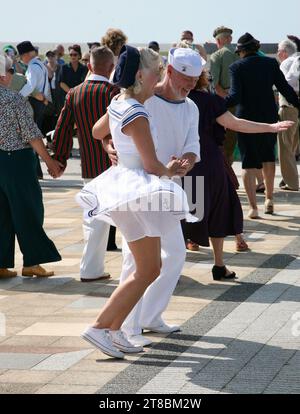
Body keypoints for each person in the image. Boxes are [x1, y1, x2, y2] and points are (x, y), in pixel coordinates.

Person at [76, 46, 192, 359]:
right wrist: (174, 170)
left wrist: (112, 144)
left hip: (123, 189)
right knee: (147, 269)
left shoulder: (119, 102)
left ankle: (114, 330)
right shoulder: (137, 112)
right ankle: (100, 326)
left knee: (148, 268)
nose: (159, 77)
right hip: (136, 191)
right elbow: (153, 165)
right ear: (141, 75)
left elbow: (97, 130)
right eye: (156, 72)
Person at [102, 47, 203, 347]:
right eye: (185, 78)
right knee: (134, 261)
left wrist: (188, 160)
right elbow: (107, 129)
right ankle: (126, 329)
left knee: (175, 254)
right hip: (141, 186)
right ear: (169, 72)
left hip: (169, 187)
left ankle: (150, 316)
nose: (189, 85)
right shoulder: (140, 100)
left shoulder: (191, 107)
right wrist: (110, 146)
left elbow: (193, 143)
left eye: (195, 81)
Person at [182, 70, 294, 281]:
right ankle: (218, 265)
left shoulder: (170, 100)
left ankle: (175, 268)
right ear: (202, 78)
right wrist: (269, 127)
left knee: (185, 215)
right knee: (218, 211)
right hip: (209, 162)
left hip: (185, 164)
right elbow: (236, 124)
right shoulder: (210, 101)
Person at [52, 46, 119, 282]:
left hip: (90, 166)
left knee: (92, 219)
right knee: (130, 219)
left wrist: (58, 160)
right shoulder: (115, 93)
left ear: (89, 66)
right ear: (112, 68)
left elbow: (62, 129)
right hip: (117, 166)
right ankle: (135, 271)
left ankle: (91, 269)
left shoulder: (74, 93)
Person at [0, 55, 63, 279]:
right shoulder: (13, 99)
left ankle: (1, 263)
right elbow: (31, 135)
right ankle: (32, 262)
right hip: (16, 161)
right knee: (28, 211)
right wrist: (50, 161)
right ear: (3, 75)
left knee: (2, 214)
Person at [225, 33, 299, 218]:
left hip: (246, 120)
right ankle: (269, 199)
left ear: (241, 51)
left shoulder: (236, 67)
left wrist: (214, 106)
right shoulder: (271, 64)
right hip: (268, 117)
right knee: (267, 158)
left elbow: (235, 97)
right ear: (256, 48)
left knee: (248, 163)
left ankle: (253, 208)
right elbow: (285, 89)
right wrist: (298, 104)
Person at [17, 41, 52, 179]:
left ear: (26, 55)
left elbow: (30, 87)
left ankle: (35, 171)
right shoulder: (41, 65)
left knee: (31, 138)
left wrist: (16, 97)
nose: (21, 60)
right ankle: (37, 172)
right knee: (34, 137)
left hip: (34, 104)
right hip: (40, 103)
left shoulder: (32, 66)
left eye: (21, 56)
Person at [210, 26, 238, 166]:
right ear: (230, 38)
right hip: (243, 102)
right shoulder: (242, 53)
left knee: (224, 142)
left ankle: (227, 175)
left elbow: (215, 84)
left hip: (225, 102)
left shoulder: (217, 55)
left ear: (219, 40)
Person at [277, 39, 300, 191]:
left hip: (289, 106)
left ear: (283, 52)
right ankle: (288, 179)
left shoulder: (286, 63)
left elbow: (286, 83)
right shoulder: (297, 60)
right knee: (293, 145)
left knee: (285, 146)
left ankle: (291, 182)